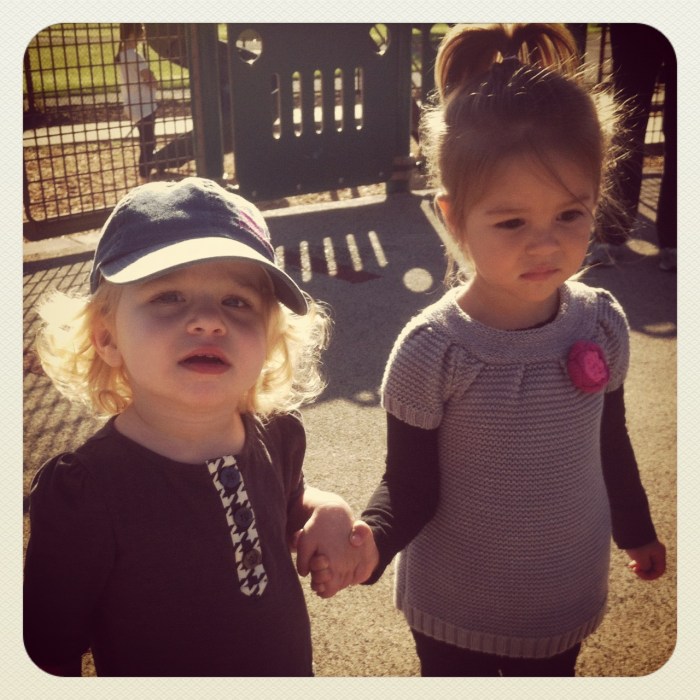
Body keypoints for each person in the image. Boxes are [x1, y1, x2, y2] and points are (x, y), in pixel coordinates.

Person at [304, 23, 667, 677]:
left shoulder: (601, 323)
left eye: (570, 214)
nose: (546, 243)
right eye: (512, 221)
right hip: (455, 607)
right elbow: (410, 486)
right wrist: (371, 544)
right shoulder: (433, 352)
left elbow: (610, 443)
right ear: (454, 218)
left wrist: (635, 527)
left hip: (562, 595)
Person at [23, 177, 359, 676]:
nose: (208, 321)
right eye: (169, 296)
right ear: (107, 338)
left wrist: (325, 508)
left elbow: (285, 503)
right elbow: (47, 653)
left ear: (269, 340)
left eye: (237, 302)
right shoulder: (85, 491)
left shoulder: (277, 435)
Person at [587, 24, 676, 271]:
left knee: (682, 133)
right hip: (634, 27)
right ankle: (610, 235)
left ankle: (675, 238)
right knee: (628, 125)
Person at [115, 23, 159, 183]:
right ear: (132, 34)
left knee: (146, 142)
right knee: (148, 144)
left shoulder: (122, 55)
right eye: (141, 33)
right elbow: (151, 80)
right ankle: (144, 178)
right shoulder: (135, 56)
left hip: (132, 104)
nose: (143, 36)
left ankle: (144, 176)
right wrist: (154, 80)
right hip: (144, 105)